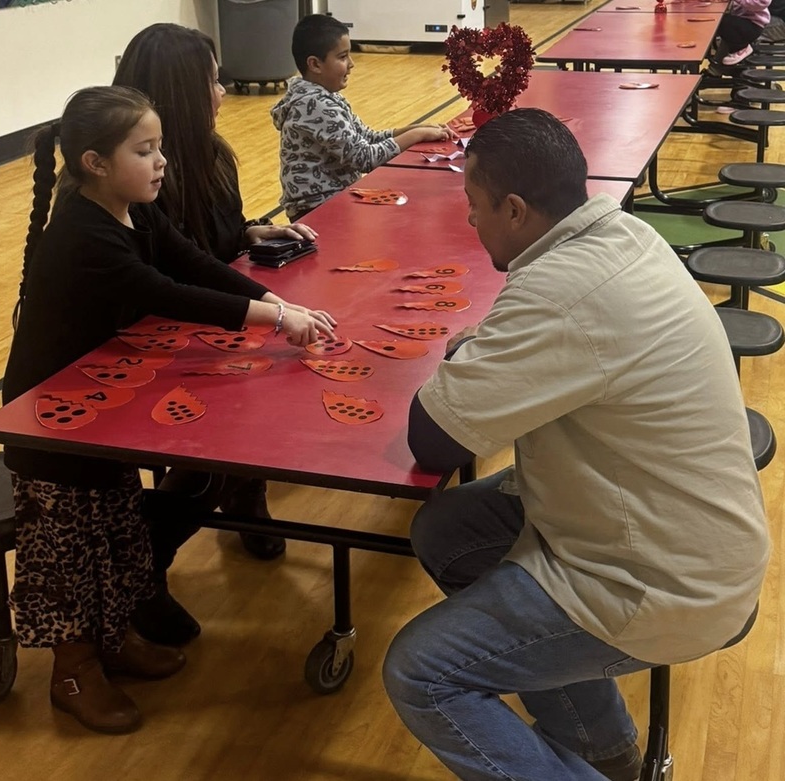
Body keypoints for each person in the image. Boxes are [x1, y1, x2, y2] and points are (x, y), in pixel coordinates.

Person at [381, 108, 770, 781]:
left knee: (420, 672)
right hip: (684, 526)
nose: (470, 222)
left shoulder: (562, 292)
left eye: (475, 206)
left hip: (664, 577)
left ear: (514, 208)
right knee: (448, 528)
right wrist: (491, 352)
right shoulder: (620, 236)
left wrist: (469, 358)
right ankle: (602, 744)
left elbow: (432, 437)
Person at [3, 85, 335, 735]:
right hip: (52, 425)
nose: (161, 163)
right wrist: (274, 316)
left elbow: (190, 259)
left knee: (118, 528)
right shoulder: (82, 233)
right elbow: (167, 292)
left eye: (158, 148)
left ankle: (116, 637)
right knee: (74, 548)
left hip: (102, 406)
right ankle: (73, 669)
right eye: (145, 150)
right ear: (96, 163)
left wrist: (272, 296)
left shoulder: (134, 208)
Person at [112, 23, 311, 648]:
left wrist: (250, 234)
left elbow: (209, 247)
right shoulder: (140, 180)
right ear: (181, 93)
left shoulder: (210, 153)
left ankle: (243, 495)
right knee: (220, 435)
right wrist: (266, 310)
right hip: (157, 338)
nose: (223, 92)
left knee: (268, 392)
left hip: (214, 317)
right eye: (213, 81)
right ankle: (144, 569)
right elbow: (166, 282)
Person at [271, 14, 453, 221]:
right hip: (316, 210)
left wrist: (414, 129)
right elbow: (364, 158)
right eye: (342, 57)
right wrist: (417, 135)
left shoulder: (325, 97)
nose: (351, 63)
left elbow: (367, 137)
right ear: (315, 64)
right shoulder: (313, 105)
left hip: (333, 200)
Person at [717, 0, 771, 65]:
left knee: (722, 22)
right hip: (741, 20)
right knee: (722, 23)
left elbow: (763, 2)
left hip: (754, 24)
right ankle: (716, 71)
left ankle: (742, 48)